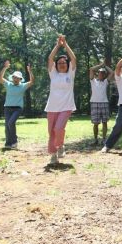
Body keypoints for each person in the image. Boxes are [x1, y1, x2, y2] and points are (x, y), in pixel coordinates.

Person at [44, 35, 77, 165]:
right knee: (51, 132)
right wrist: (58, 45)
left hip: (66, 107)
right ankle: (53, 155)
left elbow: (73, 58)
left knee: (58, 129)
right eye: (59, 63)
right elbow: (50, 58)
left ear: (67, 65)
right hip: (52, 107)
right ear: (56, 66)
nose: (62, 64)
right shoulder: (53, 74)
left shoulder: (70, 74)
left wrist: (65, 44)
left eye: (64, 63)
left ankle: (61, 145)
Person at [0, 60, 34, 149]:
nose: (16, 79)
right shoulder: (8, 84)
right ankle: (8, 143)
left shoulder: (23, 86)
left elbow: (32, 81)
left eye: (18, 78)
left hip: (17, 109)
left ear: (20, 79)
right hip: (7, 108)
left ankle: (14, 141)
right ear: (12, 77)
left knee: (11, 123)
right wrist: (5, 68)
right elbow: (0, 78)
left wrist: (30, 71)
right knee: (7, 125)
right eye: (14, 77)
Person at [89, 62, 112, 146]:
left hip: (104, 103)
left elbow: (112, 73)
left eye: (103, 73)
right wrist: (100, 65)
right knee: (95, 123)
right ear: (97, 74)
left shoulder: (105, 81)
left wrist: (105, 66)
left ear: (104, 75)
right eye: (100, 72)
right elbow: (91, 69)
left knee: (105, 122)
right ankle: (95, 140)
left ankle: (104, 140)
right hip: (94, 103)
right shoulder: (93, 81)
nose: (101, 74)